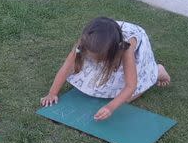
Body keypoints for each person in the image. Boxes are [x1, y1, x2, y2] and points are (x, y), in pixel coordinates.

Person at [41, 17, 169, 120]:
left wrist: (110, 108)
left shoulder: (126, 50)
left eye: (100, 61)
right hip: (107, 38)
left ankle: (157, 71)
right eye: (91, 59)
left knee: (127, 98)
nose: (95, 63)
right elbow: (66, 67)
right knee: (100, 83)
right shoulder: (86, 42)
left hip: (130, 42)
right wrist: (52, 93)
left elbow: (131, 86)